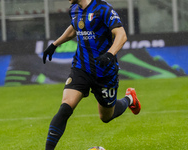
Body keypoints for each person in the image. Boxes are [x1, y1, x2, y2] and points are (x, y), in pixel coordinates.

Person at [43, 0, 141, 149]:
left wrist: (110, 54)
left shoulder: (103, 8)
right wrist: (55, 44)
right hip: (81, 68)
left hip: (105, 71)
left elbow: (121, 34)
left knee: (106, 117)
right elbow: (74, 27)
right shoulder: (74, 9)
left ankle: (129, 99)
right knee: (65, 107)